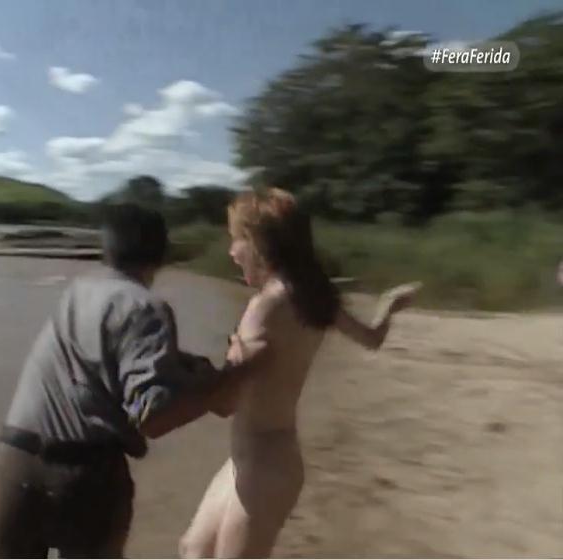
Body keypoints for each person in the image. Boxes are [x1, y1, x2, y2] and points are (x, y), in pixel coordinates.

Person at [0, 203, 245, 558]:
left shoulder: (78, 291)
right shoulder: (146, 307)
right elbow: (153, 418)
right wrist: (222, 386)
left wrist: (184, 366)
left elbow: (103, 354)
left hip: (15, 461)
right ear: (163, 254)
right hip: (85, 475)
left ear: (107, 249)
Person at [179, 188, 420, 558]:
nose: (231, 252)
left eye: (236, 239)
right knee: (193, 549)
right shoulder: (314, 296)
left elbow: (225, 404)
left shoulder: (264, 307)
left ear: (258, 243)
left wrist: (187, 373)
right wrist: (389, 305)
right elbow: (372, 339)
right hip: (259, 459)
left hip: (264, 467)